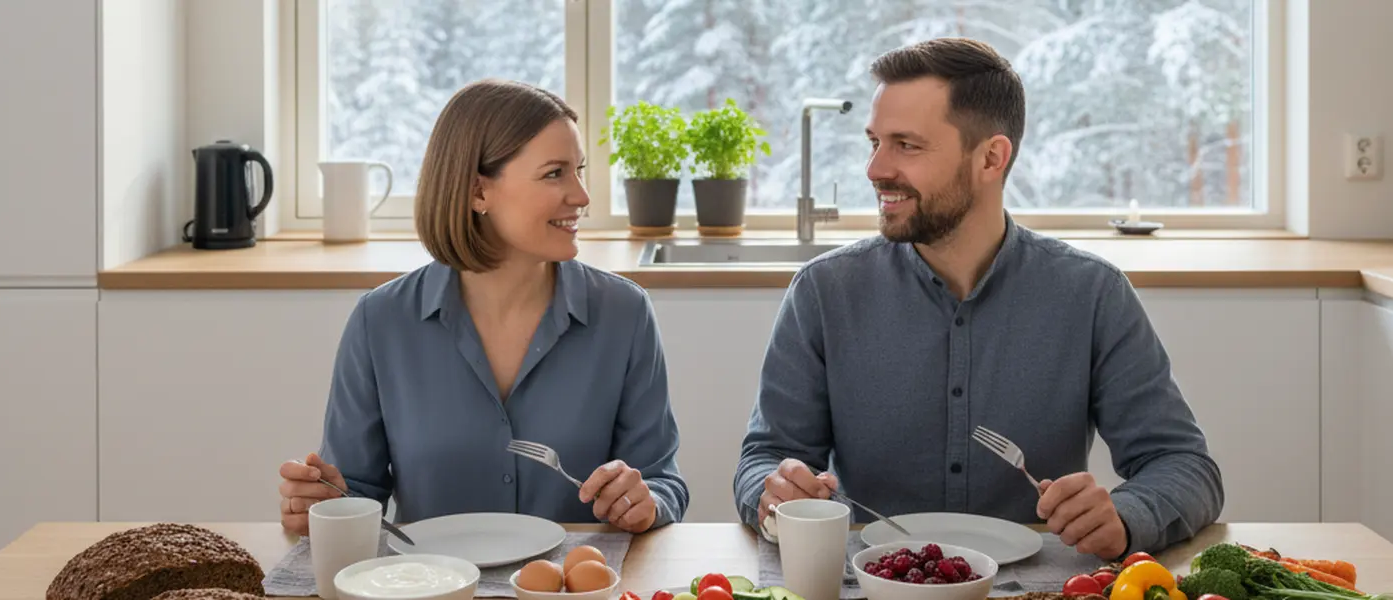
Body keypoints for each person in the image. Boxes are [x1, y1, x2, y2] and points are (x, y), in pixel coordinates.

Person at [733, 38, 1223, 560]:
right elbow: (766, 459)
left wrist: (1127, 515)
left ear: (991, 157)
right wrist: (773, 491)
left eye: (907, 145)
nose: (875, 169)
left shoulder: (1091, 294)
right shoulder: (824, 292)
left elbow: (1184, 464)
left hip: (1040, 589)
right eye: (873, 142)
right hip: (869, 582)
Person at [277, 79, 689, 536]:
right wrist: (323, 503)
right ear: (477, 192)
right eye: (555, 173)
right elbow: (356, 491)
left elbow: (661, 478)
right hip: (429, 584)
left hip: (572, 586)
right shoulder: (381, 322)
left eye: (579, 170)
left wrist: (646, 500)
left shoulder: (624, 313)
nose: (582, 196)